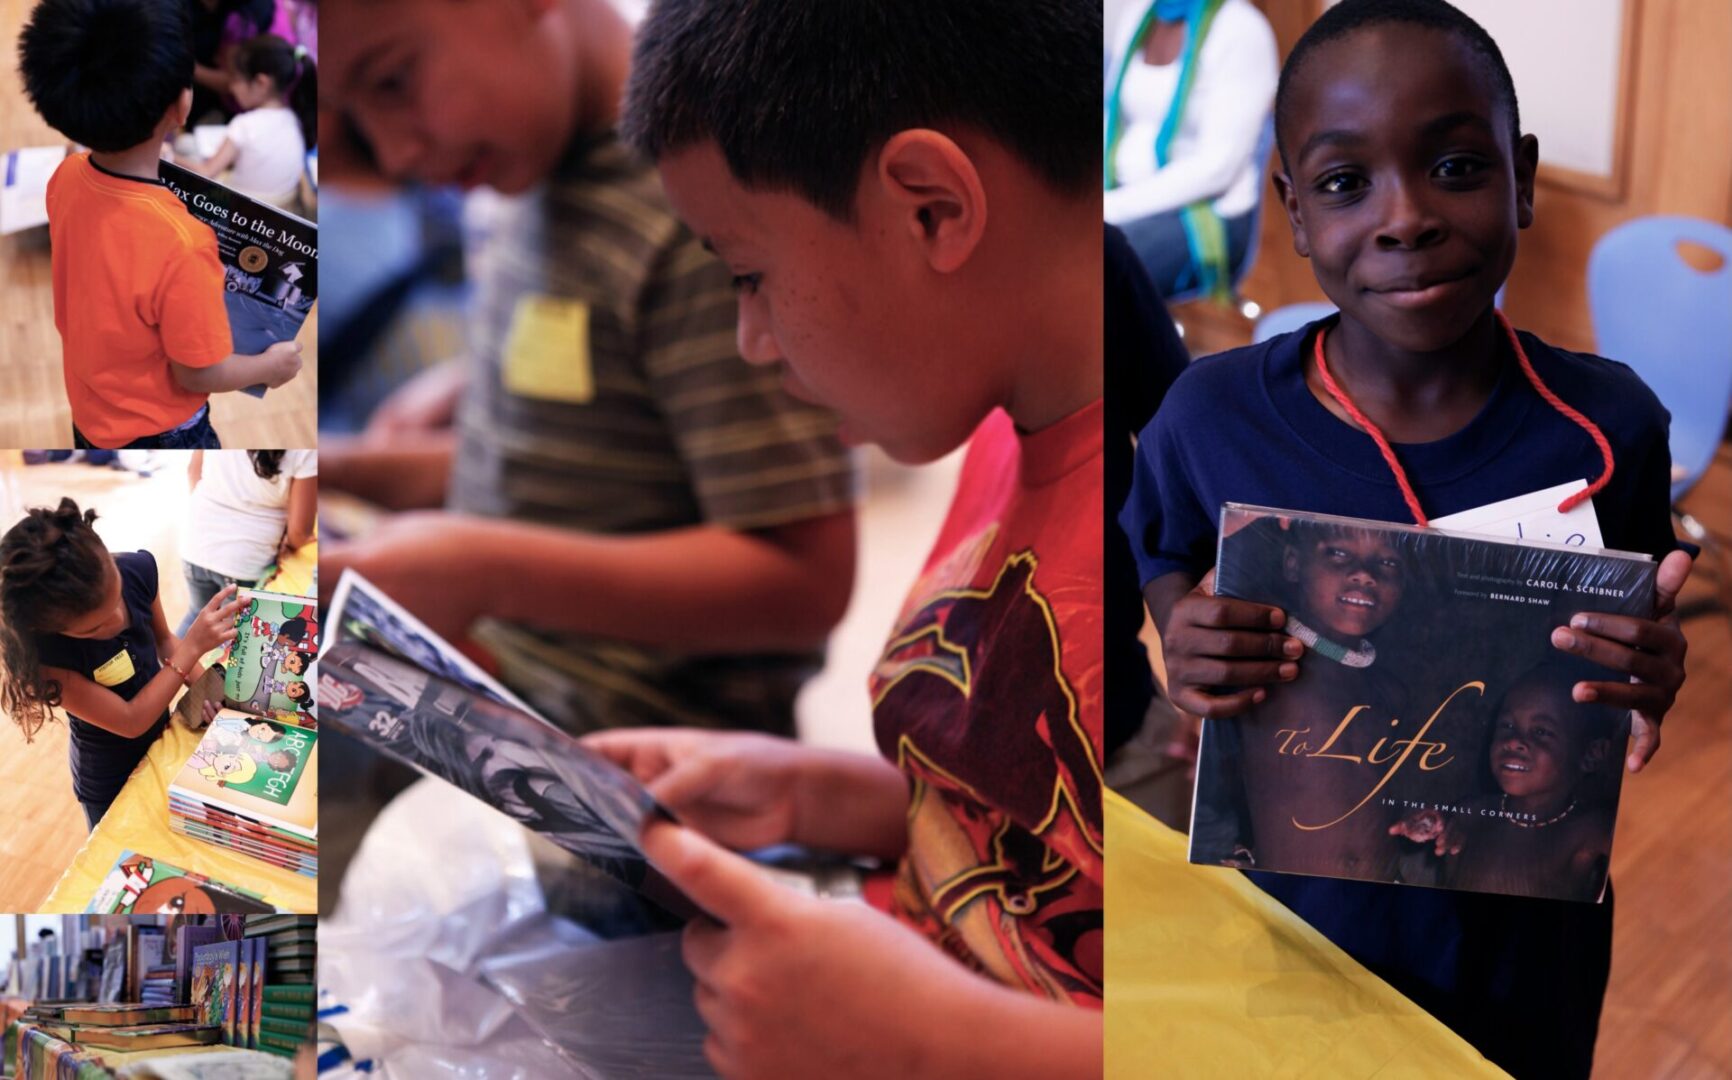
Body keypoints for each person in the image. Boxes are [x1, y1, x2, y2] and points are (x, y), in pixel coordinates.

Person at [1120, 2, 1692, 1075]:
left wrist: (1650, 673)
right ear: (1290, 209)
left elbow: (1634, 633)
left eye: (1457, 167)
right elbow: (1161, 552)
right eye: (1344, 184)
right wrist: (1180, 639)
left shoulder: (1612, 427)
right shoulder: (1210, 415)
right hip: (1292, 922)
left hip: (1522, 941)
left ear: (1520, 178)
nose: (1405, 219)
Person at [584, 1, 1103, 1076]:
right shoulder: (1008, 432)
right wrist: (820, 794)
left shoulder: (1226, 531)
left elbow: (1324, 1042)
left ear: (930, 209)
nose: (750, 341)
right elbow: (1066, 841)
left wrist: (936, 1045)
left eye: (746, 273)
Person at [317, 0, 856, 737]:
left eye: (391, 82)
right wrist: (350, 467)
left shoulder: (699, 212)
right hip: (506, 683)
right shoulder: (520, 182)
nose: (394, 154)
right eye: (351, 117)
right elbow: (573, 476)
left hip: (645, 753)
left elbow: (804, 581)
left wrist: (484, 572)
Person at [17, 0, 304, 450]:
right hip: (163, 430)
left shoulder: (66, 177)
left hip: (92, 411)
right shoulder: (184, 243)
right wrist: (269, 368)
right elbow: (196, 371)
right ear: (182, 103)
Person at [0, 499, 246, 830]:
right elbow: (130, 720)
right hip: (108, 775)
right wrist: (194, 647)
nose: (117, 620)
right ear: (51, 630)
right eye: (94, 628)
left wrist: (212, 693)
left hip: (160, 736)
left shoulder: (137, 570)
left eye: (118, 599)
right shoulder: (45, 658)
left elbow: (165, 642)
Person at [1391, 661, 1622, 903]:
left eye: (1541, 731)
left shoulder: (1588, 831)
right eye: (1508, 726)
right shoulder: (1472, 813)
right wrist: (1429, 825)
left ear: (1591, 754)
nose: (1513, 741)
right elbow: (1441, 831)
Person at [1103, 0, 1278, 298]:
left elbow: (1217, 168)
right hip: (1121, 195)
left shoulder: (1242, 30)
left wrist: (1112, 207)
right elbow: (1111, 117)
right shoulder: (1140, 16)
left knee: (1097, 265)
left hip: (1205, 212)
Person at [177, 450, 316, 636]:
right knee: (229, 637)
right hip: (244, 561)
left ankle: (165, 665)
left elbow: (193, 473)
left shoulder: (220, 423)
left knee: (196, 616)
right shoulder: (305, 449)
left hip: (195, 542)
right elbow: (299, 532)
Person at [178, 34, 316, 209]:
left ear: (261, 83)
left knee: (183, 146)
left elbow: (206, 172)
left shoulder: (244, 125)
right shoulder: (295, 118)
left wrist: (167, 155)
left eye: (235, 79)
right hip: (275, 210)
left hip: (236, 207)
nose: (231, 87)